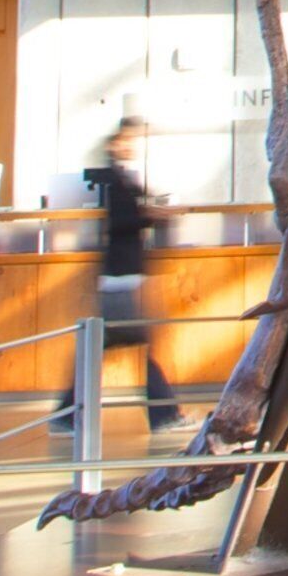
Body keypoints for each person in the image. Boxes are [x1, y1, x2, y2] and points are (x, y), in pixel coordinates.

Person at [59, 117, 177, 437]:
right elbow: (122, 222)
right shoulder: (113, 180)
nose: (131, 145)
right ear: (114, 142)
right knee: (132, 344)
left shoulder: (121, 178)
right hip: (121, 275)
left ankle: (66, 413)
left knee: (107, 345)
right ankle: (164, 414)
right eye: (128, 139)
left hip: (123, 274)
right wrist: (150, 215)